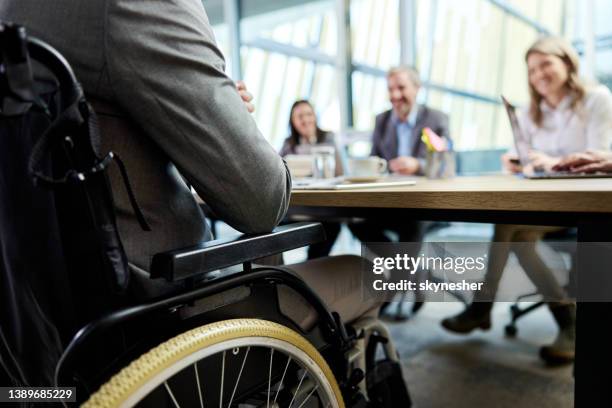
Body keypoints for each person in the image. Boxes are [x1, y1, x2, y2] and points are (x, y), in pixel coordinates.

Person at [1, 1, 377, 322]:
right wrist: (233, 120)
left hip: (46, 320)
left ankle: (433, 280)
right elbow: (263, 200)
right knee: (371, 271)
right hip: (159, 312)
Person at [442, 36, 612, 364]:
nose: (538, 74)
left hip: (582, 203)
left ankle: (482, 307)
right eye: (532, 69)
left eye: (546, 64)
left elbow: (600, 157)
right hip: (540, 204)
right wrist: (516, 159)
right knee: (514, 230)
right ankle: (568, 323)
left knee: (510, 229)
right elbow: (526, 154)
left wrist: (553, 161)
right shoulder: (531, 112)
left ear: (567, 62)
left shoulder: (596, 99)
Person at [349, 65, 451, 246]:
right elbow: (375, 161)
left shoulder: (436, 119)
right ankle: (402, 269)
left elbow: (447, 165)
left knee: (412, 222)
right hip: (390, 203)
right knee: (354, 220)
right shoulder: (382, 121)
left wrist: (417, 165)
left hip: (425, 204)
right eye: (390, 89)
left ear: (417, 88)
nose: (395, 95)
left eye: (401, 88)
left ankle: (400, 272)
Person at [280, 100, 342, 259]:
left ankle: (313, 266)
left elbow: (340, 172)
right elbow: (279, 174)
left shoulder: (328, 138)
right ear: (293, 122)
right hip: (298, 207)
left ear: (315, 116)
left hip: (325, 208)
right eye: (299, 116)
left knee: (330, 227)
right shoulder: (289, 144)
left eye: (309, 114)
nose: (305, 120)